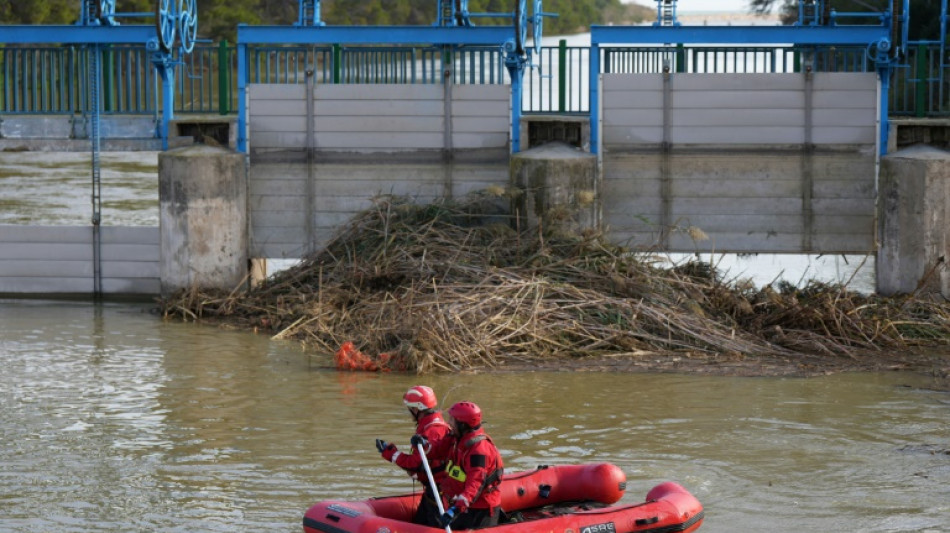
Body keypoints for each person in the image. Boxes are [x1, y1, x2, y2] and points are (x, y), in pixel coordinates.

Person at [381, 400, 504, 530]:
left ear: (463, 425)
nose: (449, 423)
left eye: (452, 420)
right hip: (460, 505)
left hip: (479, 510)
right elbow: (438, 449)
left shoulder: (479, 451)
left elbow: (475, 485)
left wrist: (456, 509)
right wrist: (423, 444)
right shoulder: (457, 438)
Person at [375, 385, 453, 527]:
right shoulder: (429, 425)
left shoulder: (433, 431)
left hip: (439, 491)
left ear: (416, 409)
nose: (409, 413)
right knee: (420, 523)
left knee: (434, 526)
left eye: (410, 409)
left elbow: (415, 463)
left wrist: (390, 453)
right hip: (433, 488)